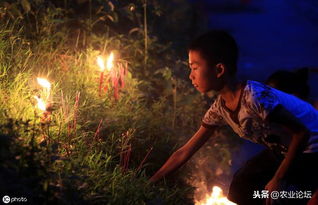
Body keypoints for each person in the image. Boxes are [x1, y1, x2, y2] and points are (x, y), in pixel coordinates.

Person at [149, 30, 318, 205]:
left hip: (311, 151)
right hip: (285, 150)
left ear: (219, 69)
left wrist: (278, 178)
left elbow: (301, 133)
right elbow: (184, 152)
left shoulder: (255, 98)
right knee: (242, 186)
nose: (190, 75)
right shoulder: (220, 108)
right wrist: (149, 184)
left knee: (295, 197)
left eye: (195, 68)